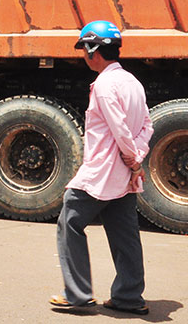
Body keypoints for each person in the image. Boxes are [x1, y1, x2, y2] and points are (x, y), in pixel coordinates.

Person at [51, 20, 151, 316]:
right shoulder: (133, 82)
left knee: (69, 221)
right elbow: (147, 124)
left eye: (84, 48)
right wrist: (137, 159)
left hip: (103, 172)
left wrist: (133, 159)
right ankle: (129, 297)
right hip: (122, 174)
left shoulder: (105, 85)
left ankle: (78, 295)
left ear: (93, 50)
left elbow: (120, 129)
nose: (84, 55)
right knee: (125, 234)